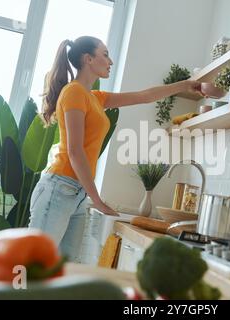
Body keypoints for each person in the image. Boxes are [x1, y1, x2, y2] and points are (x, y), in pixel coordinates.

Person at [28, 36, 203, 262]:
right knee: (32, 265)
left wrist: (185, 85)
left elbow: (144, 96)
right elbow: (75, 151)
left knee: (64, 270)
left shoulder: (95, 97)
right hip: (59, 188)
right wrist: (97, 200)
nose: (110, 61)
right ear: (88, 59)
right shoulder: (73, 92)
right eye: (105, 54)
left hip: (78, 194)